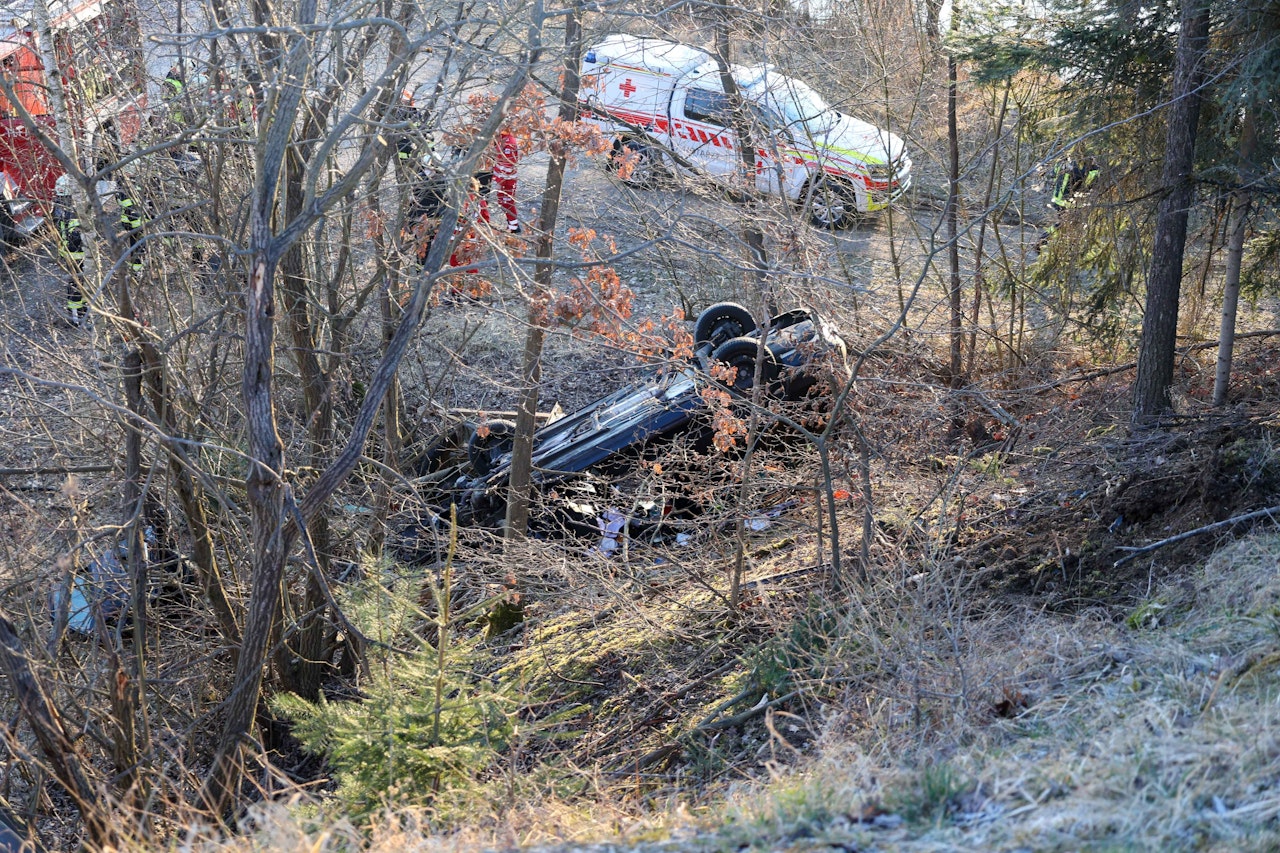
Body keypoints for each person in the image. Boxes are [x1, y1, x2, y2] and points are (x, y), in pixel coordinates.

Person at [53, 174, 88, 326]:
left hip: (69, 252)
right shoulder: (70, 210)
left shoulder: (59, 206)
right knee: (75, 285)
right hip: (76, 253)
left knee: (79, 283)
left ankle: (81, 310)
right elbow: (75, 236)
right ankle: (76, 318)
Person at [490, 126, 521, 233]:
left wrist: (500, 180)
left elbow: (508, 162)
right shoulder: (500, 138)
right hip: (501, 177)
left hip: (507, 179)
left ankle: (514, 227)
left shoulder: (509, 142)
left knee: (507, 201)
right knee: (501, 201)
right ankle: (511, 223)